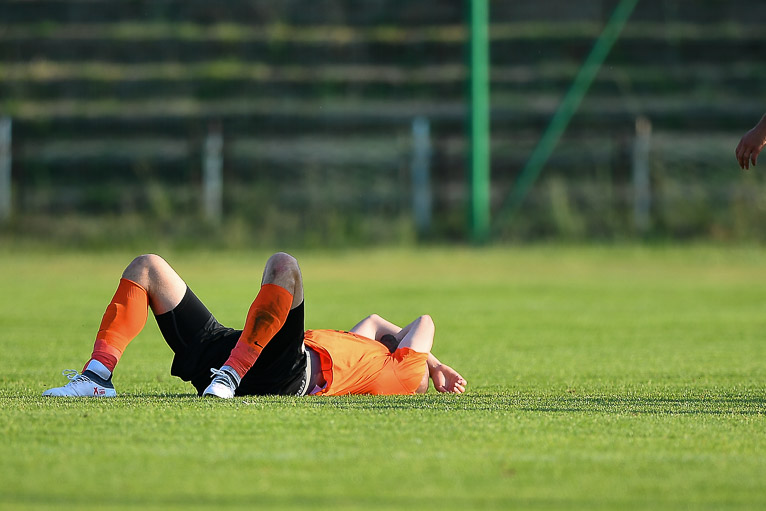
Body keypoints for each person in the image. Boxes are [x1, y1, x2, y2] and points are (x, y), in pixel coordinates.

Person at [42, 252, 467, 398]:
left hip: (285, 371)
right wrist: (420, 353)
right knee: (148, 267)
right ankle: (96, 377)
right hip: (243, 346)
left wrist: (431, 365)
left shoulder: (403, 374)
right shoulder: (366, 352)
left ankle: (230, 375)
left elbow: (423, 322)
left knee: (284, 265)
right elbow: (374, 322)